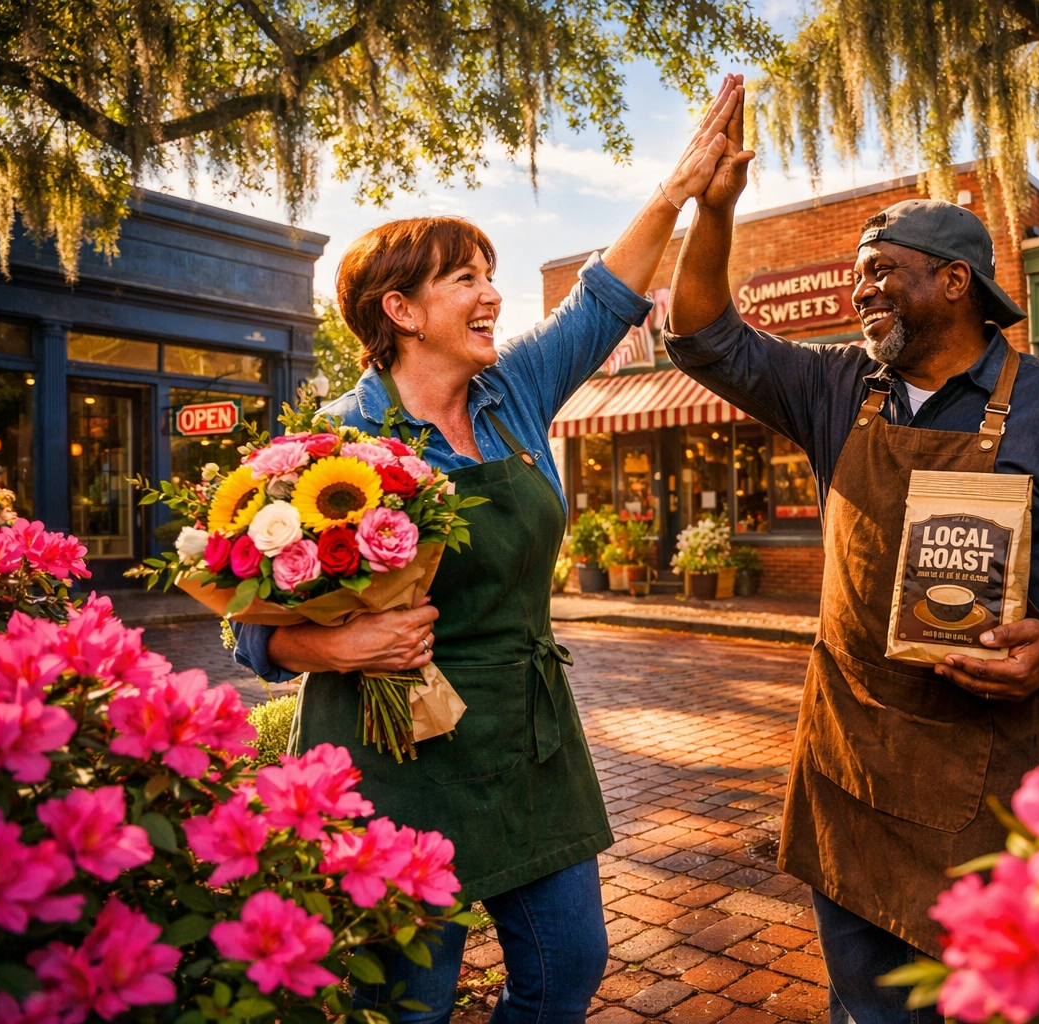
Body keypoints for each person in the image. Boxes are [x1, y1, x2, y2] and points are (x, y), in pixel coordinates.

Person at [228, 75, 748, 1024]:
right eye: (463, 278)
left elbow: (606, 298)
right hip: (390, 754)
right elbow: (247, 628)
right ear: (400, 311)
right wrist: (330, 648)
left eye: (489, 273)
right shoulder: (334, 446)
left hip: (525, 733)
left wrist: (676, 195)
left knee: (568, 971)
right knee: (413, 1005)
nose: (490, 294)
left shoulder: (514, 394)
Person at [664, 83, 1039, 1024]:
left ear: (955, 281)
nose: (859, 289)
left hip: (1008, 779)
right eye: (857, 274)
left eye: (882, 270)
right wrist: (715, 209)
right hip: (855, 768)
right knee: (868, 1010)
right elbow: (701, 337)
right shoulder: (837, 389)